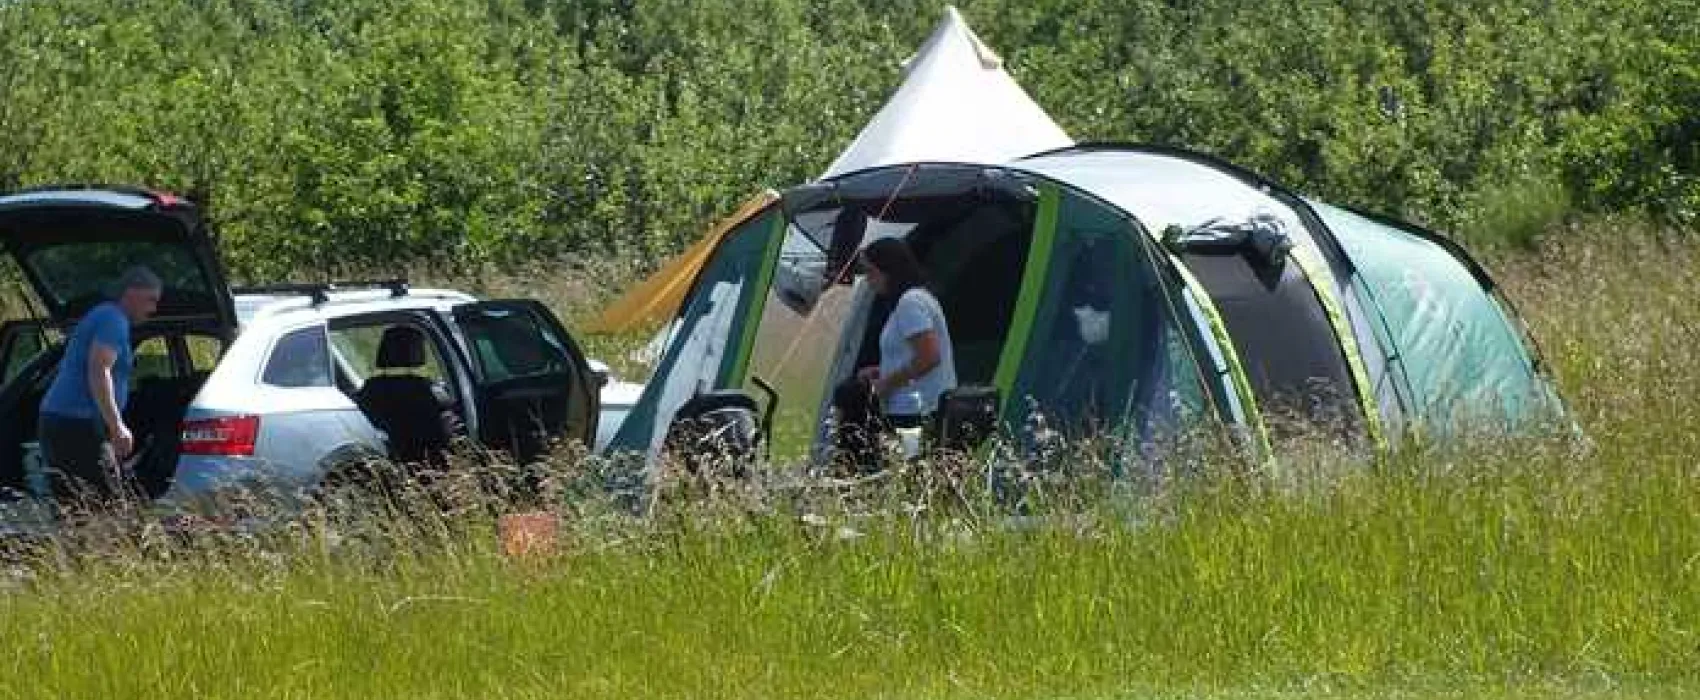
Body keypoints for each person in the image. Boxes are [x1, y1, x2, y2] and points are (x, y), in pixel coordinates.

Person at [38, 266, 160, 513]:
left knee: (75, 506)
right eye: (151, 300)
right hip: (77, 423)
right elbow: (99, 369)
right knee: (108, 506)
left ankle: (75, 538)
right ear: (131, 293)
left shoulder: (104, 315)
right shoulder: (112, 320)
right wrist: (117, 427)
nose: (153, 309)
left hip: (63, 420)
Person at [831, 237, 957, 472]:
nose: (869, 280)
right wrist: (881, 370)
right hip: (911, 406)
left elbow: (929, 356)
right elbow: (912, 354)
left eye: (871, 272)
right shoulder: (912, 300)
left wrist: (886, 383)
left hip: (915, 409)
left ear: (888, 270)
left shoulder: (911, 303)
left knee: (906, 474)